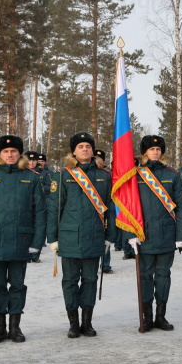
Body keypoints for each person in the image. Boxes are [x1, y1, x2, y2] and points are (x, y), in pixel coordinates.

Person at [0, 135, 46, 343]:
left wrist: (36, 243)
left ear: (19, 153)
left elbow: (40, 212)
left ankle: (15, 328)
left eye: (13, 151)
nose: (10, 154)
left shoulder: (31, 178)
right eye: (6, 151)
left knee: (18, 285)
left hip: (21, 241)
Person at [47, 132, 117, 338]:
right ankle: (73, 323)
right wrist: (52, 238)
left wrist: (110, 236)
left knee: (90, 280)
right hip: (68, 238)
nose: (85, 149)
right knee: (70, 281)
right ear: (74, 151)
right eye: (80, 147)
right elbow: (54, 209)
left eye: (88, 146)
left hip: (94, 236)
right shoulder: (62, 175)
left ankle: (87, 322)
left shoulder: (105, 176)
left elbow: (111, 209)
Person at [127, 135, 182, 332]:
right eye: (151, 149)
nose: (155, 152)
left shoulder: (172, 175)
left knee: (163, 276)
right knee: (145, 276)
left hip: (166, 235)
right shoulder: (134, 175)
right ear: (144, 152)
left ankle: (160, 316)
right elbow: (125, 206)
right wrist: (129, 234)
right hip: (143, 235)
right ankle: (146, 316)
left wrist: (181, 236)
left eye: (158, 149)